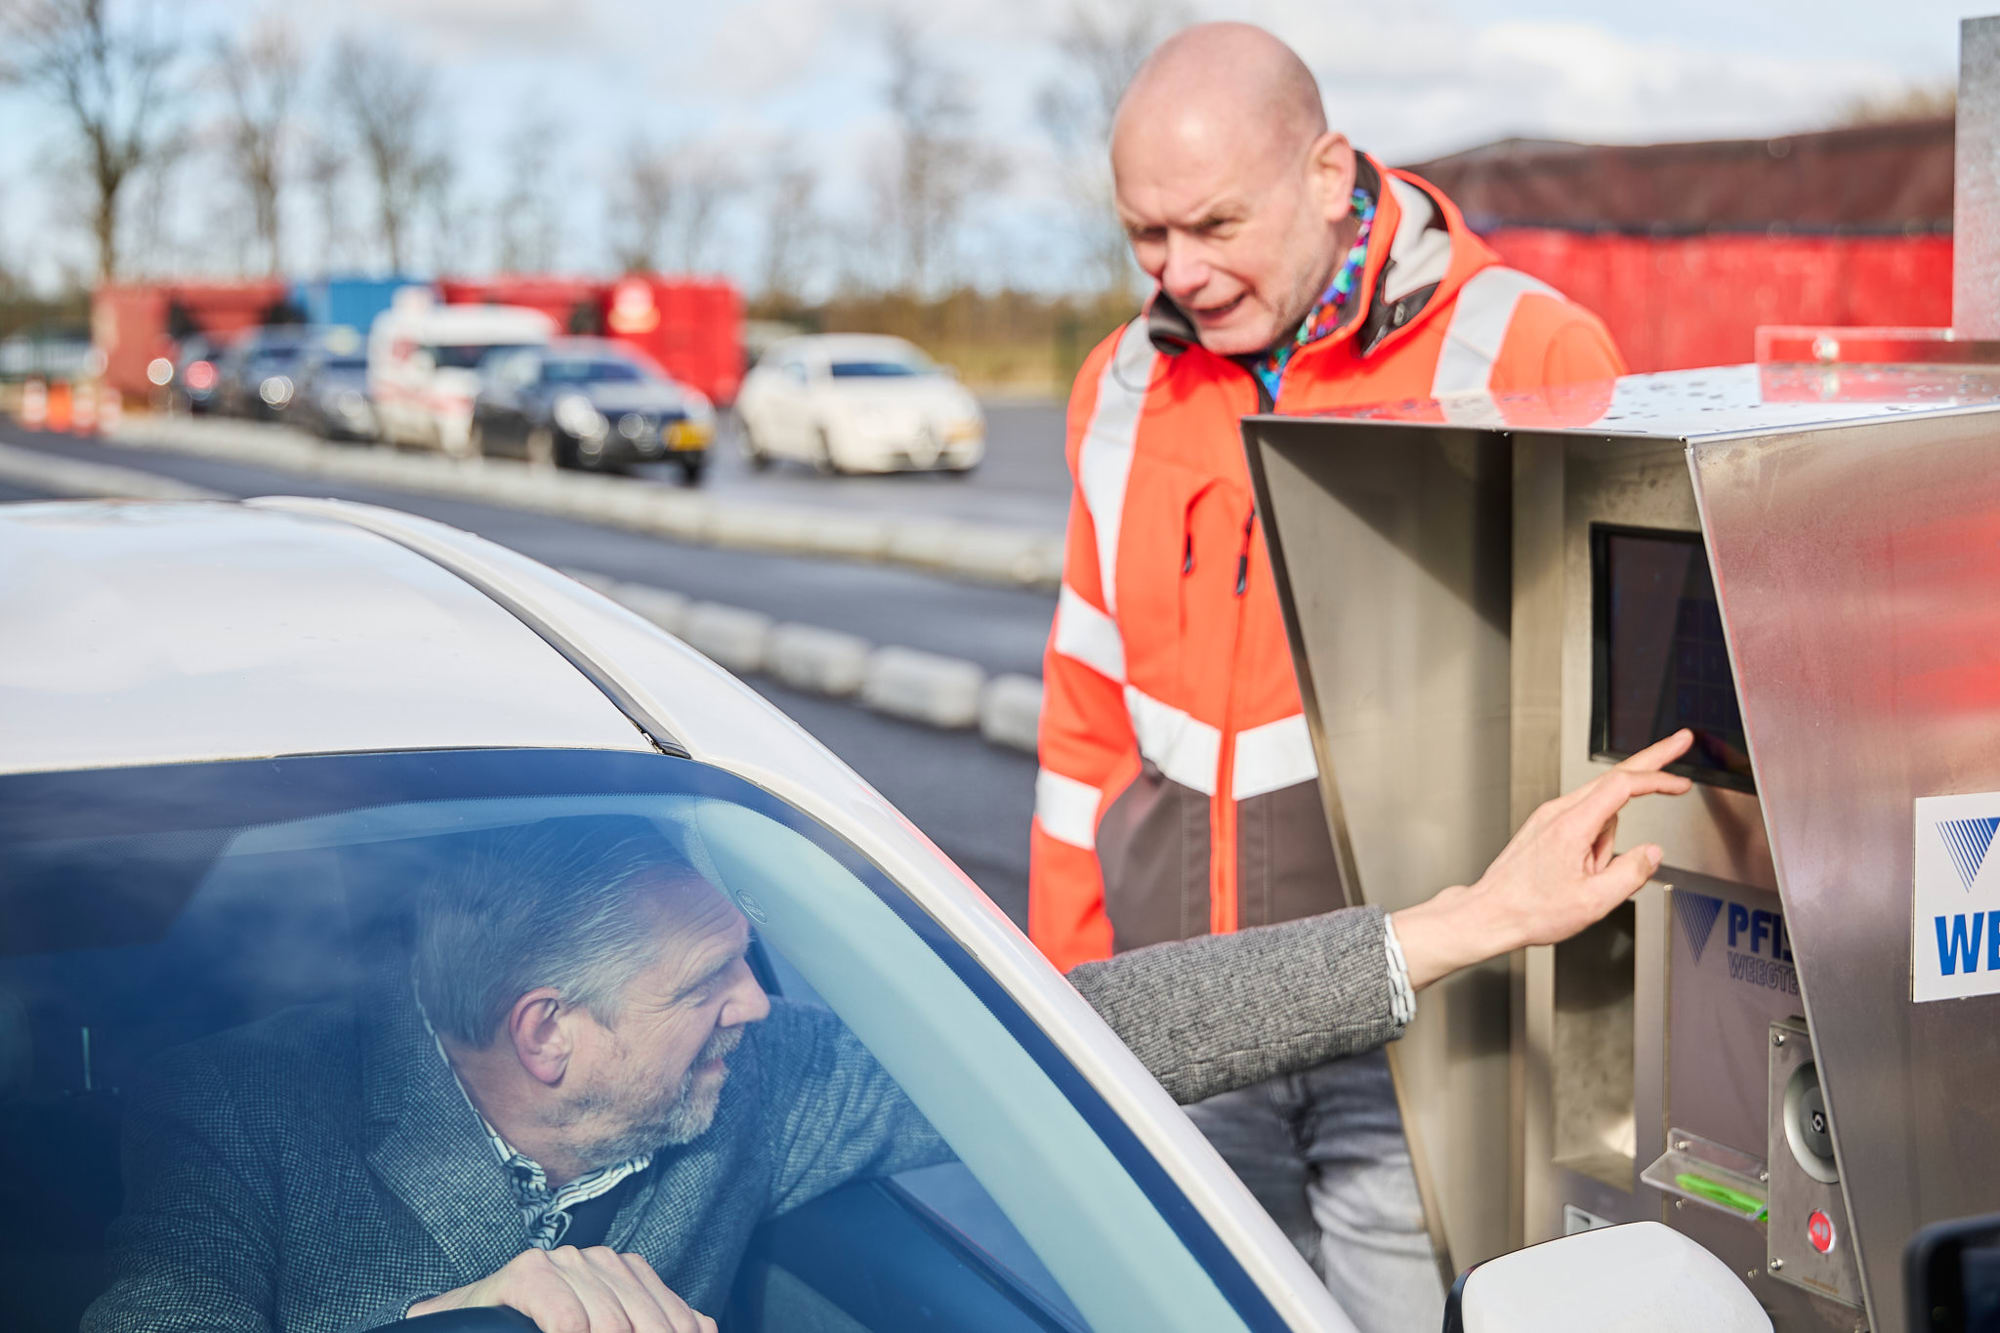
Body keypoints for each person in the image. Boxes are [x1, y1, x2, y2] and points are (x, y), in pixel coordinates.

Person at [84, 733, 1689, 1333]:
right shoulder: (247, 1121)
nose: (762, 1007)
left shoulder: (751, 1090)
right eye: (712, 983)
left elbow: (1075, 1033)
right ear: (547, 1032)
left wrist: (1466, 920)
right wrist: (473, 1324)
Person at [1028, 21, 1630, 1333]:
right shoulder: (1118, 386)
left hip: (1422, 1032)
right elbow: (1084, 715)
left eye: (1214, 224)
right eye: (1145, 235)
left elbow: (1605, 712)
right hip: (1188, 1007)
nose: (1180, 271)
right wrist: (1068, 1006)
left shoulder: (1525, 355)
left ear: (1325, 173)